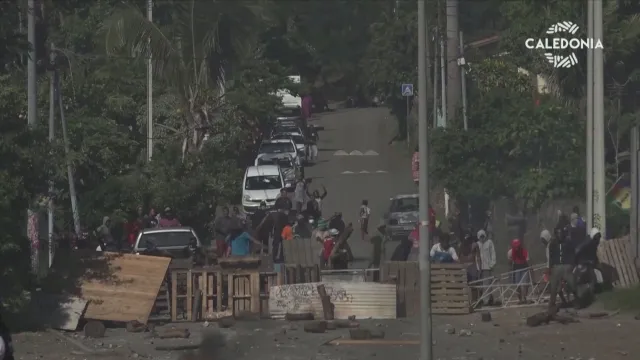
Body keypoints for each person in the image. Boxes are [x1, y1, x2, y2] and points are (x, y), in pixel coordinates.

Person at [547, 223, 577, 313]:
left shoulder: (569, 242)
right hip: (556, 266)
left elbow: (573, 254)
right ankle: (552, 304)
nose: (560, 235)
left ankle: (578, 300)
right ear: (555, 233)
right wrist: (550, 267)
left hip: (567, 265)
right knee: (553, 287)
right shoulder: (552, 244)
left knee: (572, 284)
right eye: (558, 233)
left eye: (561, 233)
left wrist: (572, 264)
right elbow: (551, 257)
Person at [477, 229, 496, 305]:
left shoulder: (489, 243)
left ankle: (487, 301)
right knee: (480, 285)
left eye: (483, 236)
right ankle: (481, 300)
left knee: (487, 285)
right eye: (480, 236)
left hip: (487, 267)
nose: (482, 238)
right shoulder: (477, 244)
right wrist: (477, 267)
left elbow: (493, 253)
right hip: (479, 268)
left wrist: (492, 264)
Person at [507, 239, 530, 303]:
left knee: (524, 284)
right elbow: (509, 263)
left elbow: (528, 263)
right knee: (518, 285)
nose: (516, 248)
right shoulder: (510, 252)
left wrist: (530, 272)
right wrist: (510, 274)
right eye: (515, 246)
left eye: (518, 246)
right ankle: (520, 299)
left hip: (524, 268)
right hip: (516, 268)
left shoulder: (525, 252)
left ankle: (524, 298)